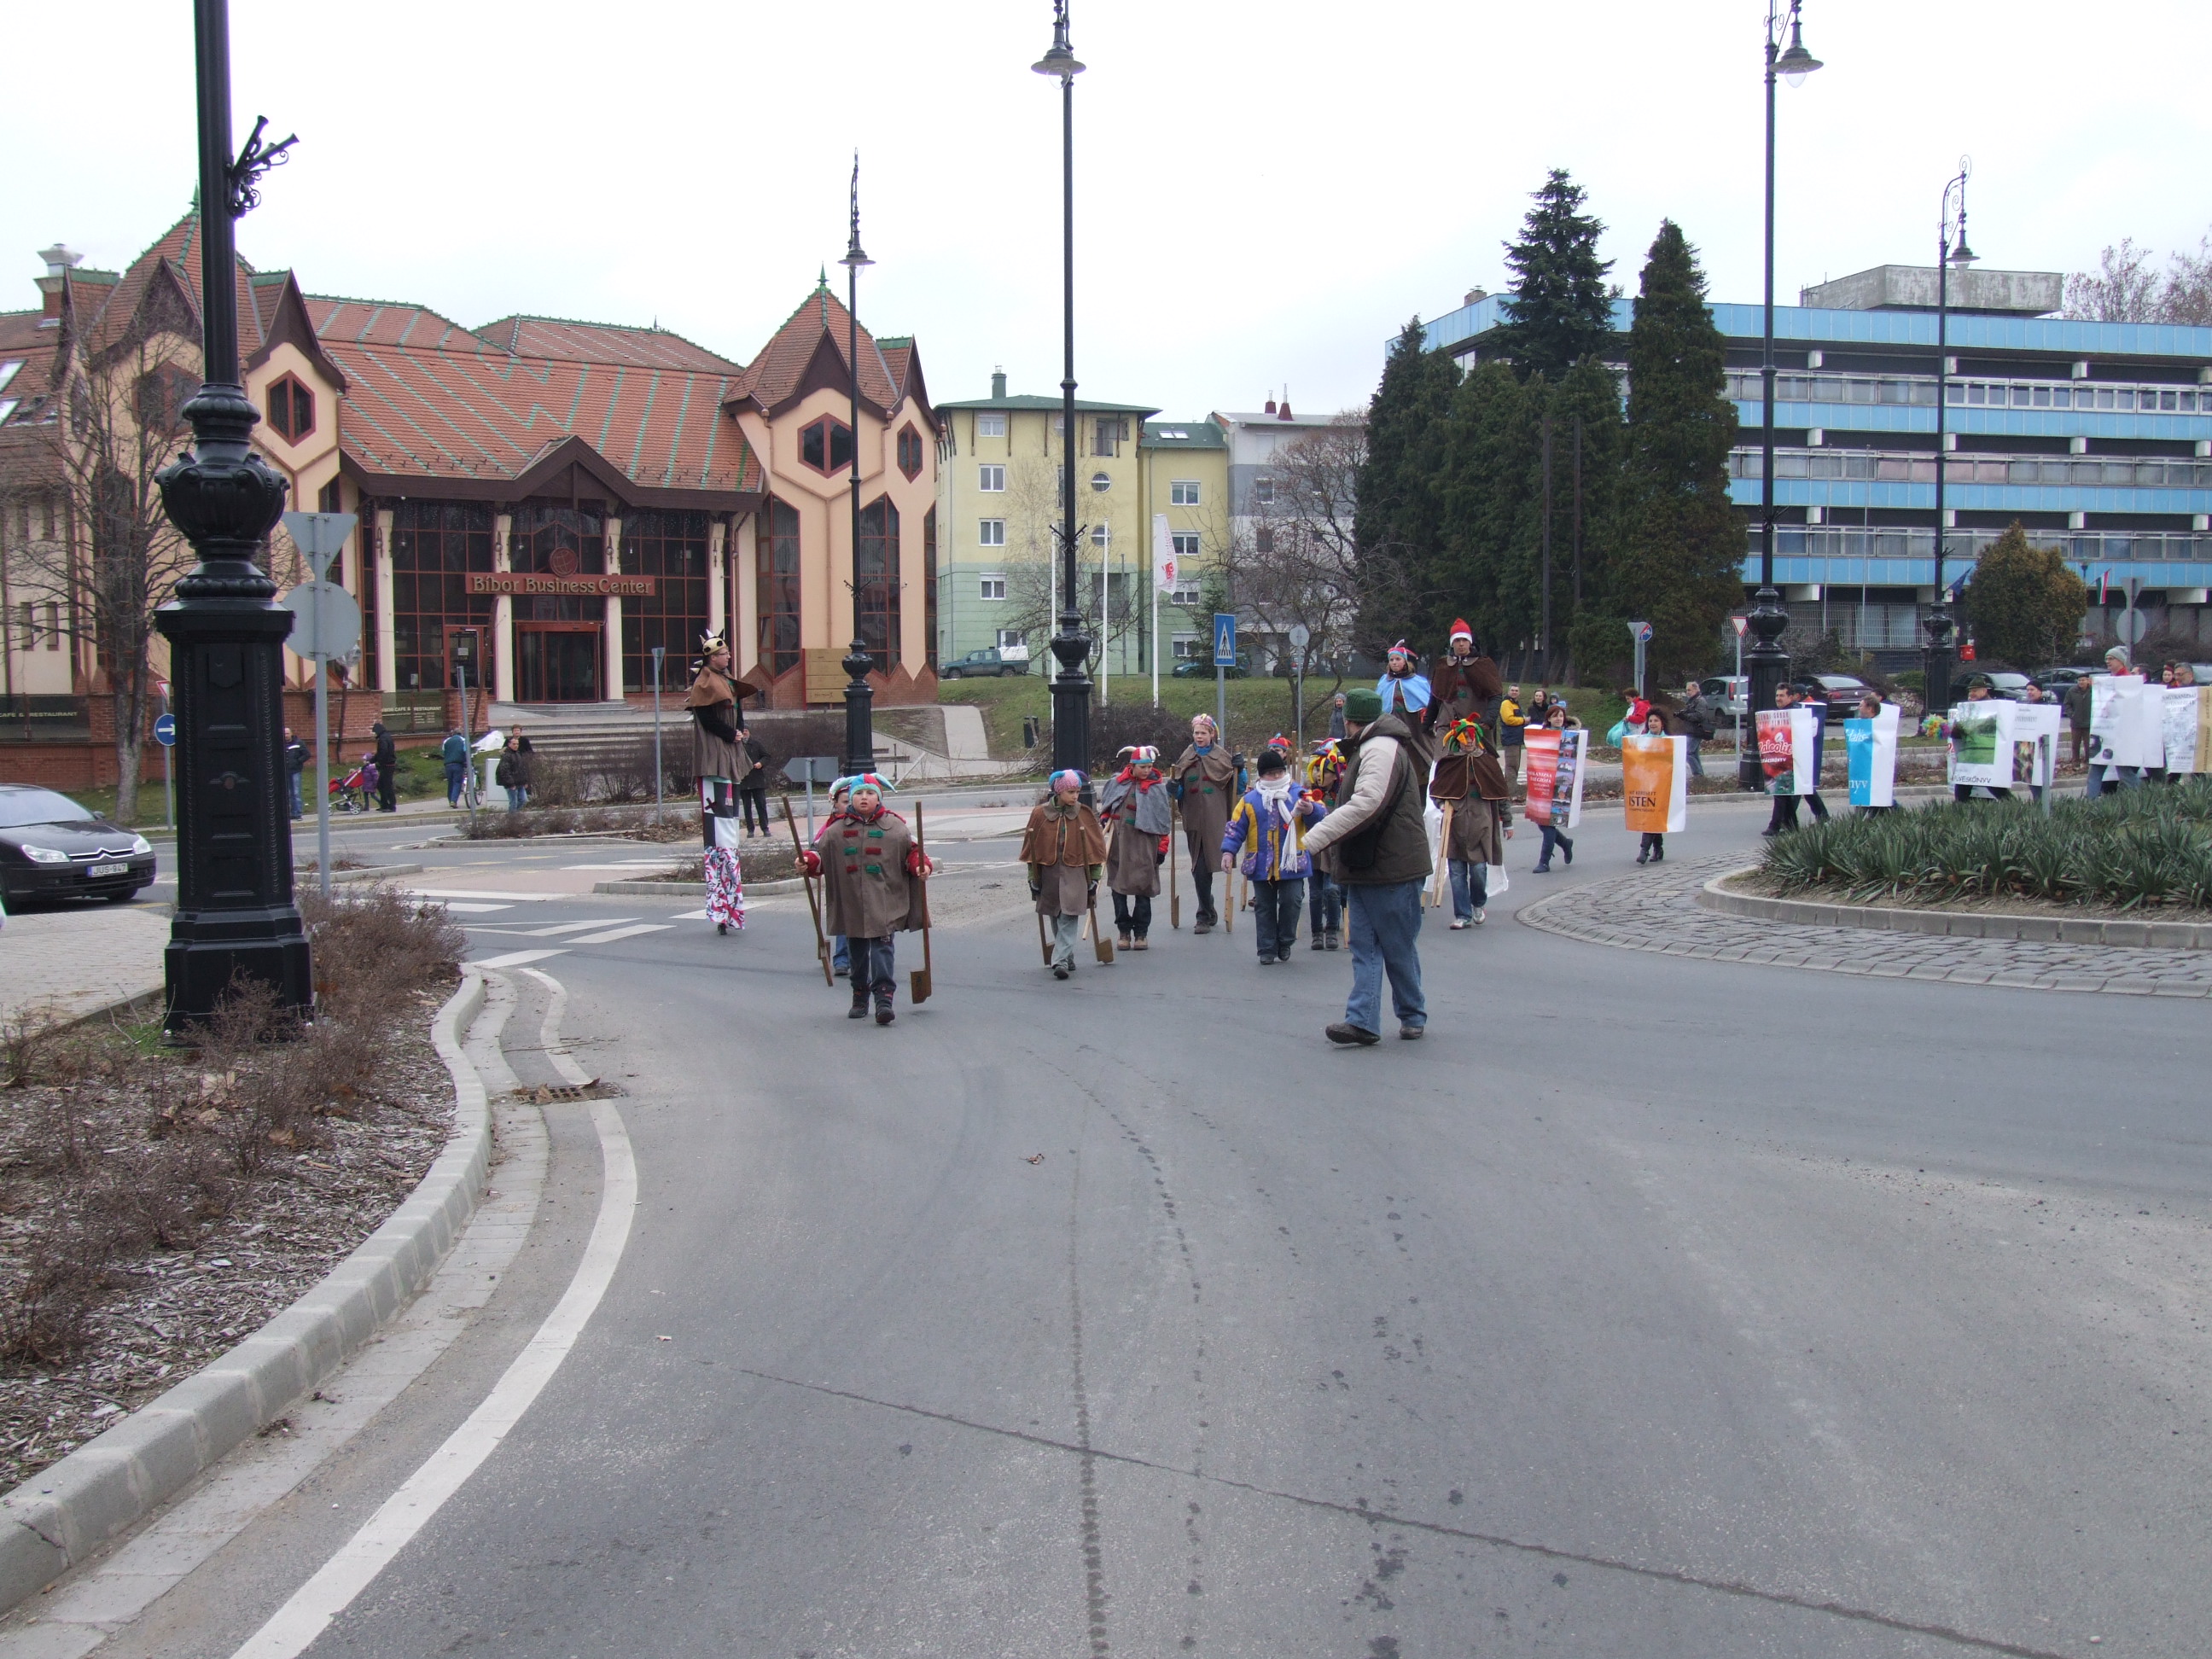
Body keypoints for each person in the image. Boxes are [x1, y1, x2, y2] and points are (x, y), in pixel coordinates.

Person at [1300, 688, 1430, 1045]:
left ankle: (1412, 1014)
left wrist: (1314, 838)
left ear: (1349, 720)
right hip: (1368, 864)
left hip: (1393, 867)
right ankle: (1363, 1021)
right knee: (1364, 946)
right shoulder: (1373, 746)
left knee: (1397, 945)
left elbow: (1367, 803)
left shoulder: (1380, 749)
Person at [799, 773, 933, 1023]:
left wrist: (921, 866)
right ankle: (859, 995)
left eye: (870, 793)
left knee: (883, 949)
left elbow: (914, 852)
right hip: (852, 902)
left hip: (886, 900)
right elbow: (819, 855)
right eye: (859, 793)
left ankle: (884, 999)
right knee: (857, 953)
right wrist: (808, 862)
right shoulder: (836, 831)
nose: (864, 798)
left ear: (878, 798)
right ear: (850, 798)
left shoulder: (896, 827)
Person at [1221, 746, 1327, 965]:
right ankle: (1267, 948)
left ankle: (1285, 941)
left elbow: (1321, 818)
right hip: (1260, 864)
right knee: (1264, 907)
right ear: (1261, 776)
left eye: (1279, 772)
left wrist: (1309, 811)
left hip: (1292, 862)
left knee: (1292, 901)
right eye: (1271, 774)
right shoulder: (1249, 800)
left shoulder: (1299, 793)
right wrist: (1228, 852)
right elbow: (1235, 827)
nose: (1276, 777)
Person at [1020, 769, 1108, 981]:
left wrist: (1095, 878)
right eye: (1071, 792)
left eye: (1077, 791)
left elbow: (1096, 849)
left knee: (1069, 914)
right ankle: (1067, 956)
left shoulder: (1084, 813)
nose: (1075, 796)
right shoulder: (1039, 814)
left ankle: (1059, 960)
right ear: (1059, 791)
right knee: (1055, 914)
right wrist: (1032, 877)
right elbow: (1031, 849)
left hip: (1076, 872)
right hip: (1049, 873)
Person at [1432, 711, 1511, 928]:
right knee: (1457, 872)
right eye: (1464, 738)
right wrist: (1441, 805)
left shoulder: (1488, 762)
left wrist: (1508, 821)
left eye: (1471, 737)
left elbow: (1501, 793)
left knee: (1478, 870)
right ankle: (1462, 915)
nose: (1468, 742)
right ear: (1457, 739)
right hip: (1454, 824)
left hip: (1481, 822)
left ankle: (1478, 903)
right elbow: (1436, 790)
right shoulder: (1449, 763)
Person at [1169, 714, 1243, 934]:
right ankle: (1205, 911)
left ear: (1212, 734)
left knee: (1209, 865)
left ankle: (1205, 912)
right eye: (1196, 733)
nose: (1199, 737)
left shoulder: (1223, 757)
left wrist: (1241, 771)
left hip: (1216, 820)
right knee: (1199, 868)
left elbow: (1238, 787)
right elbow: (1180, 790)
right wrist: (1173, 789)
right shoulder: (1186, 756)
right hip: (1193, 821)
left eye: (1203, 733)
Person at [1098, 745, 1171, 952]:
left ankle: (1141, 933)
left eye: (1149, 767)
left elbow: (1162, 823)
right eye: (1143, 767)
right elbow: (1107, 807)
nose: (1147, 771)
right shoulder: (1117, 783)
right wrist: (1106, 817)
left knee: (1143, 889)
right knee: (1118, 888)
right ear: (1132, 766)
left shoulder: (1156, 789)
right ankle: (1123, 931)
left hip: (1145, 846)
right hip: (1119, 845)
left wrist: (1162, 848)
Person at [1761, 682, 1831, 835]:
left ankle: (1778, 826)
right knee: (1796, 791)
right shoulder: (1782, 714)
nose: (1778, 698)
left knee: (1785, 792)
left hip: (1793, 760)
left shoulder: (1796, 714)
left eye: (1782, 695)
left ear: (1791, 697)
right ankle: (1793, 824)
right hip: (1784, 759)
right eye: (1777, 695)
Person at [1303, 739, 1347, 950]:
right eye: (1316, 770)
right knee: (1315, 893)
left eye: (1325, 772)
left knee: (1333, 890)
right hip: (1315, 849)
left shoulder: (1342, 793)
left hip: (1335, 849)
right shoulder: (1309, 794)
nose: (1319, 775)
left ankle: (1331, 930)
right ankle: (1316, 933)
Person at [2084, 647, 2141, 797]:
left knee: (2125, 773)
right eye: (2106, 659)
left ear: (2121, 661)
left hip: (2121, 736)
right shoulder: (2107, 681)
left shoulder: (2129, 681)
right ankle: (2090, 804)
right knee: (2095, 771)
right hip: (2104, 733)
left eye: (2111, 658)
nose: (2107, 661)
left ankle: (2145, 799)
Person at [1531, 705, 1579, 872]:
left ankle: (1544, 862)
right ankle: (1565, 843)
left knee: (1548, 823)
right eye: (1555, 716)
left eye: (1561, 716)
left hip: (1561, 783)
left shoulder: (1570, 736)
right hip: (1543, 782)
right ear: (1549, 719)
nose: (1558, 719)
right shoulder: (1541, 735)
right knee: (1542, 823)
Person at [1424, 620, 1487, 731]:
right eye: (1457, 640)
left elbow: (1495, 694)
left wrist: (1490, 719)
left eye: (1464, 640)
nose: (1461, 644)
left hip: (1474, 723)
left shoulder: (1483, 665)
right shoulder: (1443, 666)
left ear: (1470, 642)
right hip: (1447, 723)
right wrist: (1426, 723)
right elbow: (1435, 697)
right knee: (1441, 743)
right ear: (1452, 643)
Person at [1634, 709, 1671, 864]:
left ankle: (1646, 850)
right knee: (1651, 816)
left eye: (1656, 720)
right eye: (1650, 721)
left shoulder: (1670, 742)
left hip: (1662, 786)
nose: (1653, 723)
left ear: (1662, 723)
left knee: (1654, 816)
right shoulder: (1641, 741)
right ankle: (1655, 849)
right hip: (1646, 785)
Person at [1376, 642, 1432, 725]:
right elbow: (1378, 700)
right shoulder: (1385, 680)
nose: (1394, 662)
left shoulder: (1417, 681)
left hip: (1412, 721)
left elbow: (1426, 700)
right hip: (1389, 720)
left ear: (1405, 661)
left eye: (1398, 659)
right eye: (1391, 660)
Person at [1676, 681, 1714, 777]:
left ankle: (1698, 775)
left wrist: (1686, 716)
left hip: (1697, 731)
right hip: (1692, 730)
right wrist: (1681, 714)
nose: (1687, 692)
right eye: (1686, 690)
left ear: (1696, 689)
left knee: (1688, 753)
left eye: (1689, 690)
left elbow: (1700, 716)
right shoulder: (1693, 701)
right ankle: (1700, 776)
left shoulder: (1700, 701)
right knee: (1694, 754)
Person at [738, 731, 771, 837]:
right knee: (747, 807)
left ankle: (765, 828)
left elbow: (766, 756)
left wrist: (761, 763)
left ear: (749, 732)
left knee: (761, 805)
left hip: (757, 780)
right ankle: (750, 829)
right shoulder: (737, 745)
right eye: (742, 731)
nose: (744, 733)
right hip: (743, 780)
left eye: (746, 731)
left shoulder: (756, 744)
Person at [1498, 684, 1528, 794]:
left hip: (1517, 738)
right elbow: (1508, 719)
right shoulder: (1506, 703)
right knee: (1511, 765)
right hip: (1510, 738)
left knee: (1515, 765)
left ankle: (1511, 789)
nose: (1514, 692)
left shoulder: (1515, 704)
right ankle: (1510, 791)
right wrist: (1523, 720)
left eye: (1516, 691)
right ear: (1508, 691)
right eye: (1513, 690)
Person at [2064, 672, 2093, 766]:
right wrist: (2071, 714)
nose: (2081, 682)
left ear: (2088, 681)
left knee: (2088, 744)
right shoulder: (2072, 691)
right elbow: (2067, 704)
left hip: (2089, 723)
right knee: (2075, 744)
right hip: (2076, 723)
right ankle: (2075, 762)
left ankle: (2088, 761)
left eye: (2083, 680)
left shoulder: (2093, 691)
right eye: (2079, 680)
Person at [496, 735, 529, 812]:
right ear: (509, 744)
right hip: (511, 783)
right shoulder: (506, 756)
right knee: (514, 802)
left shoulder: (518, 754)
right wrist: (510, 784)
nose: (516, 746)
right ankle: (512, 816)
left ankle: (515, 814)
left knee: (524, 800)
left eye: (517, 744)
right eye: (514, 744)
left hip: (520, 782)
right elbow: (504, 771)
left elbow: (522, 769)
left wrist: (525, 781)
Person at [439, 725, 469, 809]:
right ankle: (454, 801)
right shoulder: (463, 740)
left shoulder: (446, 741)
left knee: (450, 783)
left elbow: (444, 751)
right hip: (458, 764)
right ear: (461, 734)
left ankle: (450, 800)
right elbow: (466, 751)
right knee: (457, 782)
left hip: (448, 765)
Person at [370, 720, 398, 812]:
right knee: (381, 785)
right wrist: (374, 760)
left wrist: (375, 760)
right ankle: (384, 805)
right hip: (388, 764)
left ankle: (391, 806)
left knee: (386, 785)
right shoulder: (386, 737)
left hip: (387, 764)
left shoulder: (383, 739)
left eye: (375, 732)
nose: (375, 734)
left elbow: (382, 752)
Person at [283, 726, 309, 819]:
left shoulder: (298, 743)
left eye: (287, 733)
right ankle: (291, 813)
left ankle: (298, 813)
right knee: (287, 794)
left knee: (296, 793)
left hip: (295, 771)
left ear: (291, 734)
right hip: (285, 771)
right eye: (284, 734)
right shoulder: (281, 744)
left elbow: (307, 754)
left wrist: (298, 761)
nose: (286, 735)